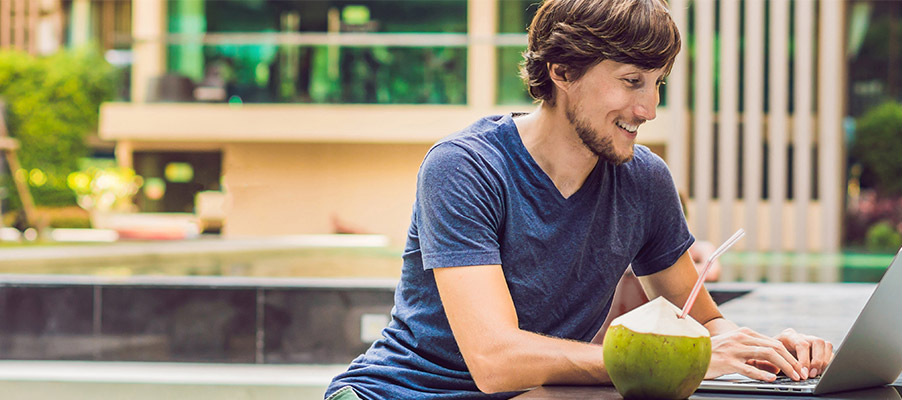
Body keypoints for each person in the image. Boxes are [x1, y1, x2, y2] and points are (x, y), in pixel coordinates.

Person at [325, 1, 832, 399]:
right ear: (563, 72)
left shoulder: (643, 180)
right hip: (398, 393)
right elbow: (495, 360)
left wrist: (766, 352)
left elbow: (704, 323)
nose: (649, 108)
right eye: (632, 81)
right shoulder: (465, 169)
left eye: (658, 85)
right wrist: (690, 356)